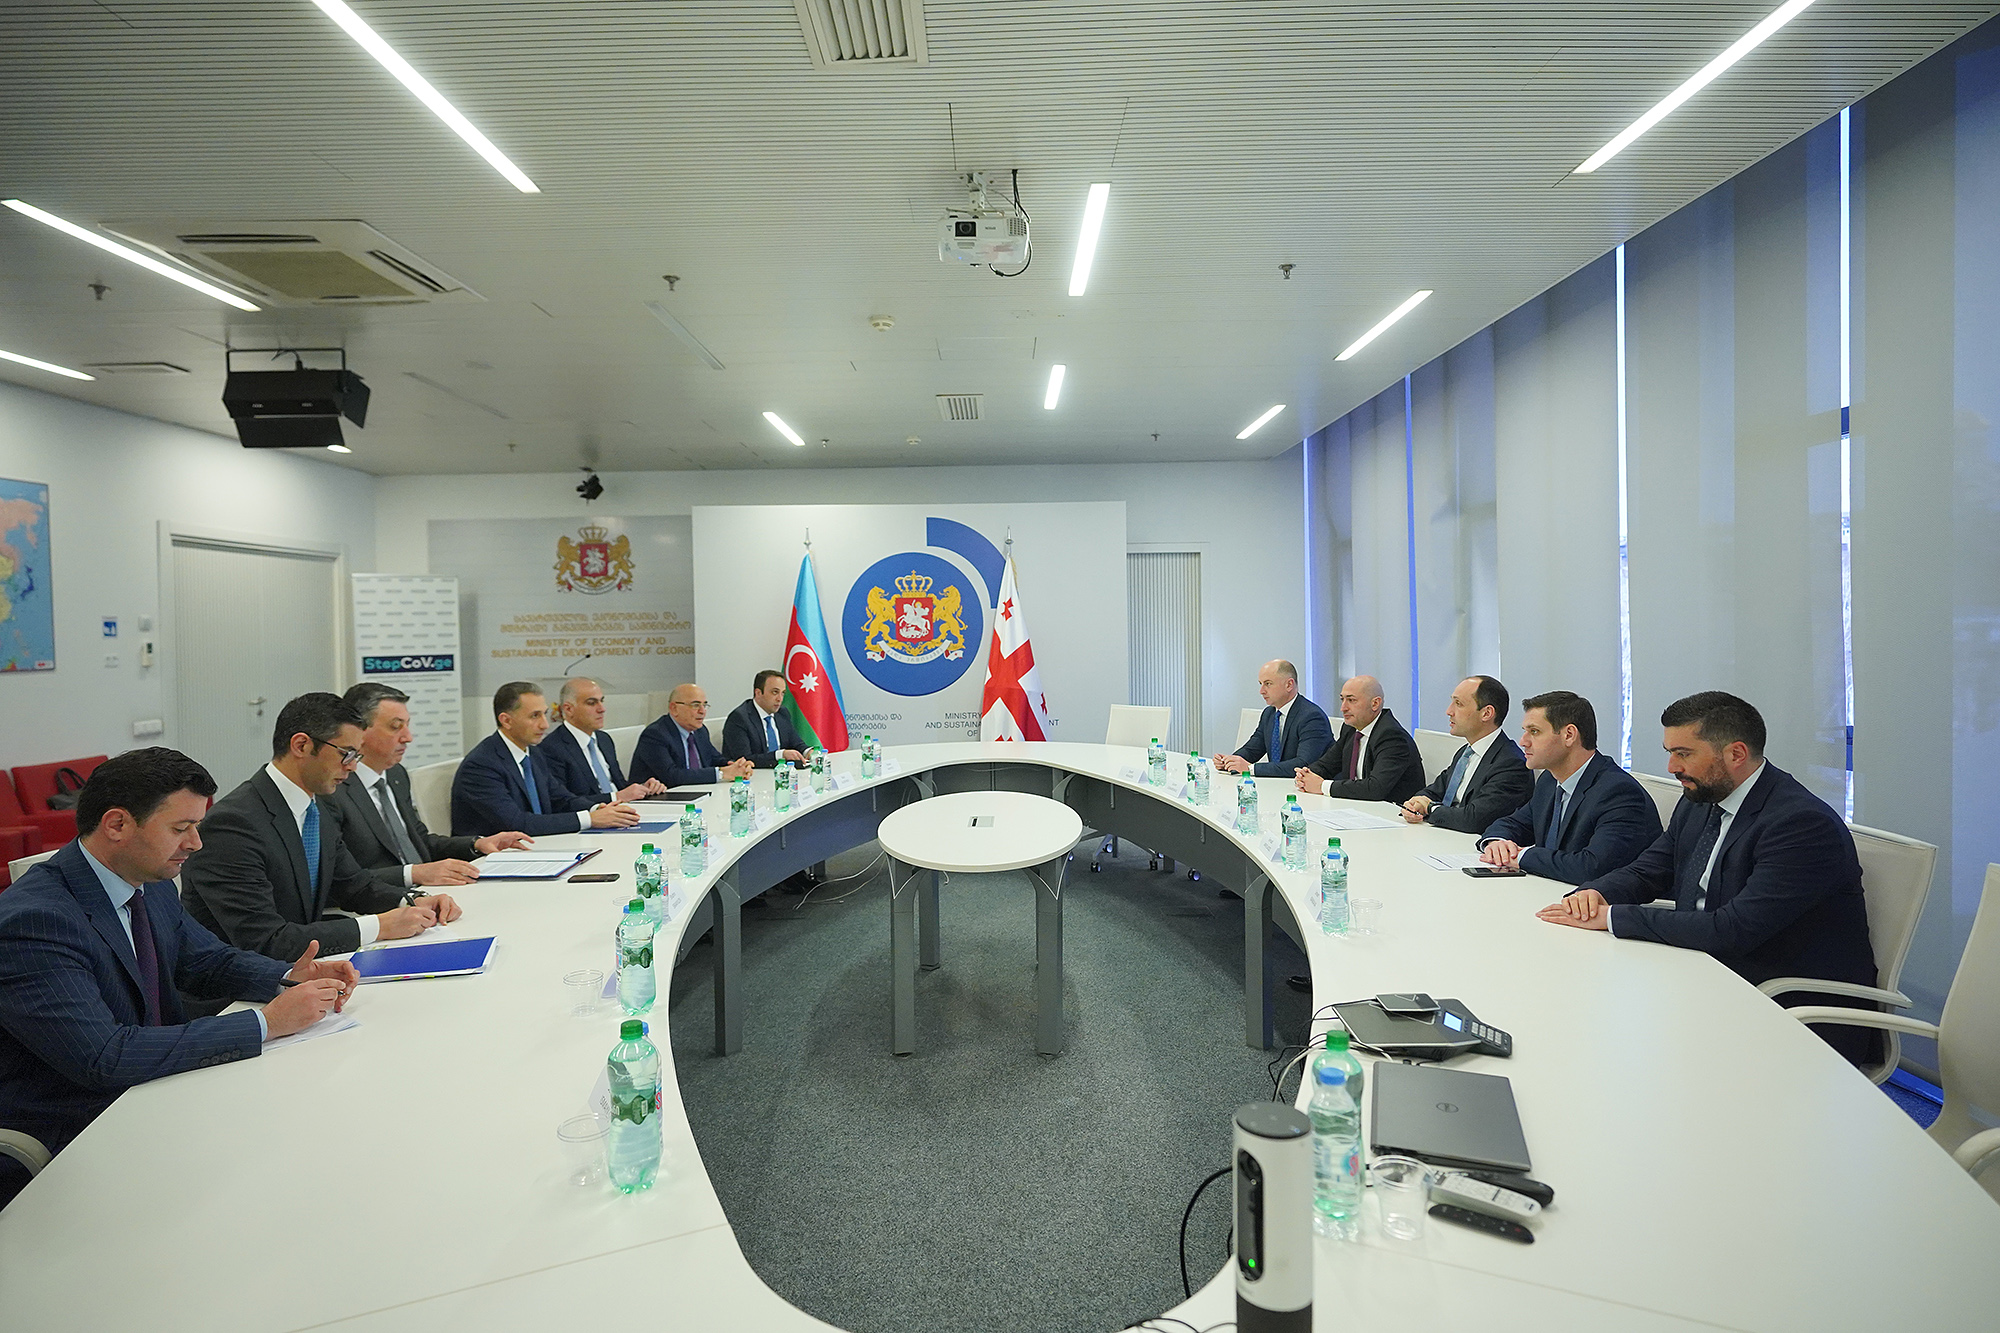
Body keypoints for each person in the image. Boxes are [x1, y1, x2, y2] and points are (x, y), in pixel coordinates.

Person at [0, 749, 359, 1207]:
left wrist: (288, 975)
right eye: (180, 828)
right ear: (117, 825)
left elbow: (207, 961)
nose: (196, 843)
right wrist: (267, 1023)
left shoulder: (149, 882)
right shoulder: (35, 921)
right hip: (79, 1130)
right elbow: (104, 1057)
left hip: (161, 1092)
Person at [1537, 692, 1877, 1064]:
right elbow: (1649, 870)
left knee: (1619, 1045)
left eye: (1683, 753)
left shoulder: (1799, 824)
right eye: (1670, 752)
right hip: (1703, 974)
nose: (1671, 766)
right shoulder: (1701, 800)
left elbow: (1731, 930)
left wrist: (1612, 917)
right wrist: (1595, 893)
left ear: (1736, 754)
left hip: (1783, 1007)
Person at [181, 693, 460, 962]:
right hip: (243, 983)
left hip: (303, 968)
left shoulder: (314, 806)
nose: (352, 768)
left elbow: (353, 885)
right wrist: (379, 926)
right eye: (346, 754)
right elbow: (265, 940)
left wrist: (411, 901)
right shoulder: (233, 824)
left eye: (357, 756)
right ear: (301, 746)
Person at [325, 682, 534, 889]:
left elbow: (420, 841)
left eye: (407, 725)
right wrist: (414, 874)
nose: (408, 737)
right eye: (395, 727)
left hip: (427, 891)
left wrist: (477, 843)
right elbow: (339, 879)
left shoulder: (396, 775)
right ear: (359, 731)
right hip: (381, 898)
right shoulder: (333, 789)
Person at [1476, 691, 1659, 883]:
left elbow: (1592, 867)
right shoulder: (1549, 780)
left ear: (1569, 735)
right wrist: (1497, 842)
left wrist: (1522, 857)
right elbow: (1515, 824)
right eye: (1525, 731)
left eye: (1534, 732)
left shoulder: (1618, 792)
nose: (1523, 741)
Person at [451, 682, 642, 838]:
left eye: (544, 713)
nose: (544, 724)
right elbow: (517, 823)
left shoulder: (533, 753)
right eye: (535, 716)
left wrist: (598, 808)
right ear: (506, 720)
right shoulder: (481, 765)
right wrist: (590, 819)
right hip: (489, 859)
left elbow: (561, 799)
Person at [1400, 675, 1533, 832]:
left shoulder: (1511, 763)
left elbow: (1475, 820)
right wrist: (1415, 804)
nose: (1449, 711)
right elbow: (1436, 790)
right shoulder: (1465, 752)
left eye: (1459, 704)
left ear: (1486, 713)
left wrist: (1430, 808)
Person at [1293, 675, 1425, 805]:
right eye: (1342, 699)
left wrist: (1322, 786)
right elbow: (1326, 765)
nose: (1343, 708)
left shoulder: (1392, 736)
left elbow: (1375, 788)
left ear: (1375, 703)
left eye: (1351, 700)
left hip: (1392, 812)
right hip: (1358, 806)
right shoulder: (1350, 728)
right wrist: (1305, 775)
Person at [539, 677, 666, 801]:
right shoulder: (552, 748)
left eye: (601, 701)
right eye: (591, 703)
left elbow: (619, 785)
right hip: (594, 813)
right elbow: (563, 802)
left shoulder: (604, 739)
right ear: (569, 709)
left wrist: (643, 788)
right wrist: (616, 797)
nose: (602, 709)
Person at [1215, 659, 1333, 777]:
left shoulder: (1312, 717)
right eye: (1260, 684)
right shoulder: (1269, 714)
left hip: (1309, 786)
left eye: (1268, 684)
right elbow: (1252, 749)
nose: (1261, 691)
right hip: (1278, 783)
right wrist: (1229, 762)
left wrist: (1251, 769)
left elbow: (1303, 764)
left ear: (1289, 685)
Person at [631, 684, 755, 788]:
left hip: (697, 793)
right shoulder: (655, 735)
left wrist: (735, 766)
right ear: (674, 708)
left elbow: (714, 758)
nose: (702, 711)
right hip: (659, 800)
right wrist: (722, 774)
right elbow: (672, 776)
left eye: (704, 705)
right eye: (695, 705)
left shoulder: (700, 731)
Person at [721, 671, 808, 769]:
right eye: (775, 692)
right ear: (758, 693)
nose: (780, 699)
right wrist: (779, 755)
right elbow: (744, 759)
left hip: (781, 772)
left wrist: (808, 752)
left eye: (782, 693)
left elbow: (796, 743)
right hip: (753, 774)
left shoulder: (782, 713)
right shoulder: (739, 718)